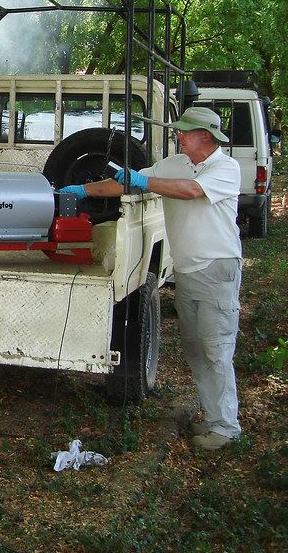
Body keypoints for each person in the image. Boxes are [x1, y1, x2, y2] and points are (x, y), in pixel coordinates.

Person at [60, 106, 243, 450]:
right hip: (188, 271)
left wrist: (144, 181)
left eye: (184, 132)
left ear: (205, 135)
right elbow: (122, 182)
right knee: (196, 349)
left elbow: (190, 190)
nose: (178, 136)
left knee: (215, 349)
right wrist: (82, 190)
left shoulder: (226, 168)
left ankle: (225, 427)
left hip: (217, 269)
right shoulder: (173, 164)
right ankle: (213, 415)